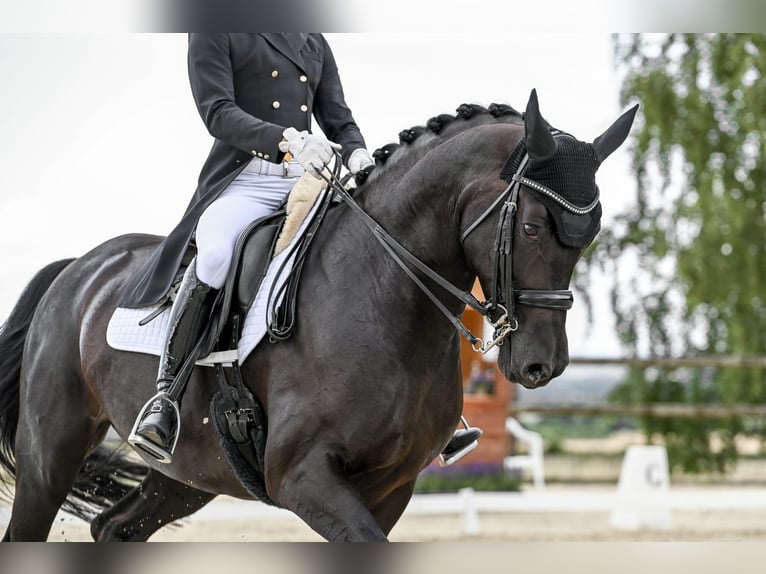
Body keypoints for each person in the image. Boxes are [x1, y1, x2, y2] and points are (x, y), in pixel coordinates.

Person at [124, 33, 480, 464]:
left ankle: (429, 412)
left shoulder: (311, 39)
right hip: (244, 181)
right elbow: (217, 112)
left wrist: (357, 154)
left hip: (306, 178)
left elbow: (338, 117)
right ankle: (166, 398)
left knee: (370, 245)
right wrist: (287, 141)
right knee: (215, 256)